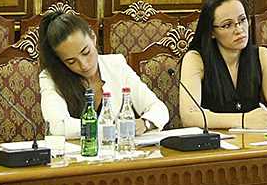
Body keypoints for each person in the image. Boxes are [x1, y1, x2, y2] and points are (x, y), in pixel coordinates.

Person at [39, 9, 169, 138]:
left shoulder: (116, 65)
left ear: (93, 37)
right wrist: (109, 127)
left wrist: (145, 123)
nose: (84, 65)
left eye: (86, 52)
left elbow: (158, 108)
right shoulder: (50, 78)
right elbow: (57, 126)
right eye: (71, 61)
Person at [178, 0, 267, 130]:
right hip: (214, 139)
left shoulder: (261, 55)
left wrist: (211, 117)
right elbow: (189, 118)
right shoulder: (195, 59)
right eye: (227, 25)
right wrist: (244, 120)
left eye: (242, 20)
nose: (239, 30)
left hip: (254, 138)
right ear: (212, 32)